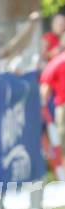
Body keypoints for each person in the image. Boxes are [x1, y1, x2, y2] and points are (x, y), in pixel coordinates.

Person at [40, 32, 65, 170]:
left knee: (63, 143)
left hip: (63, 107)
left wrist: (42, 106)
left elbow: (45, 86)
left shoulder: (58, 61)